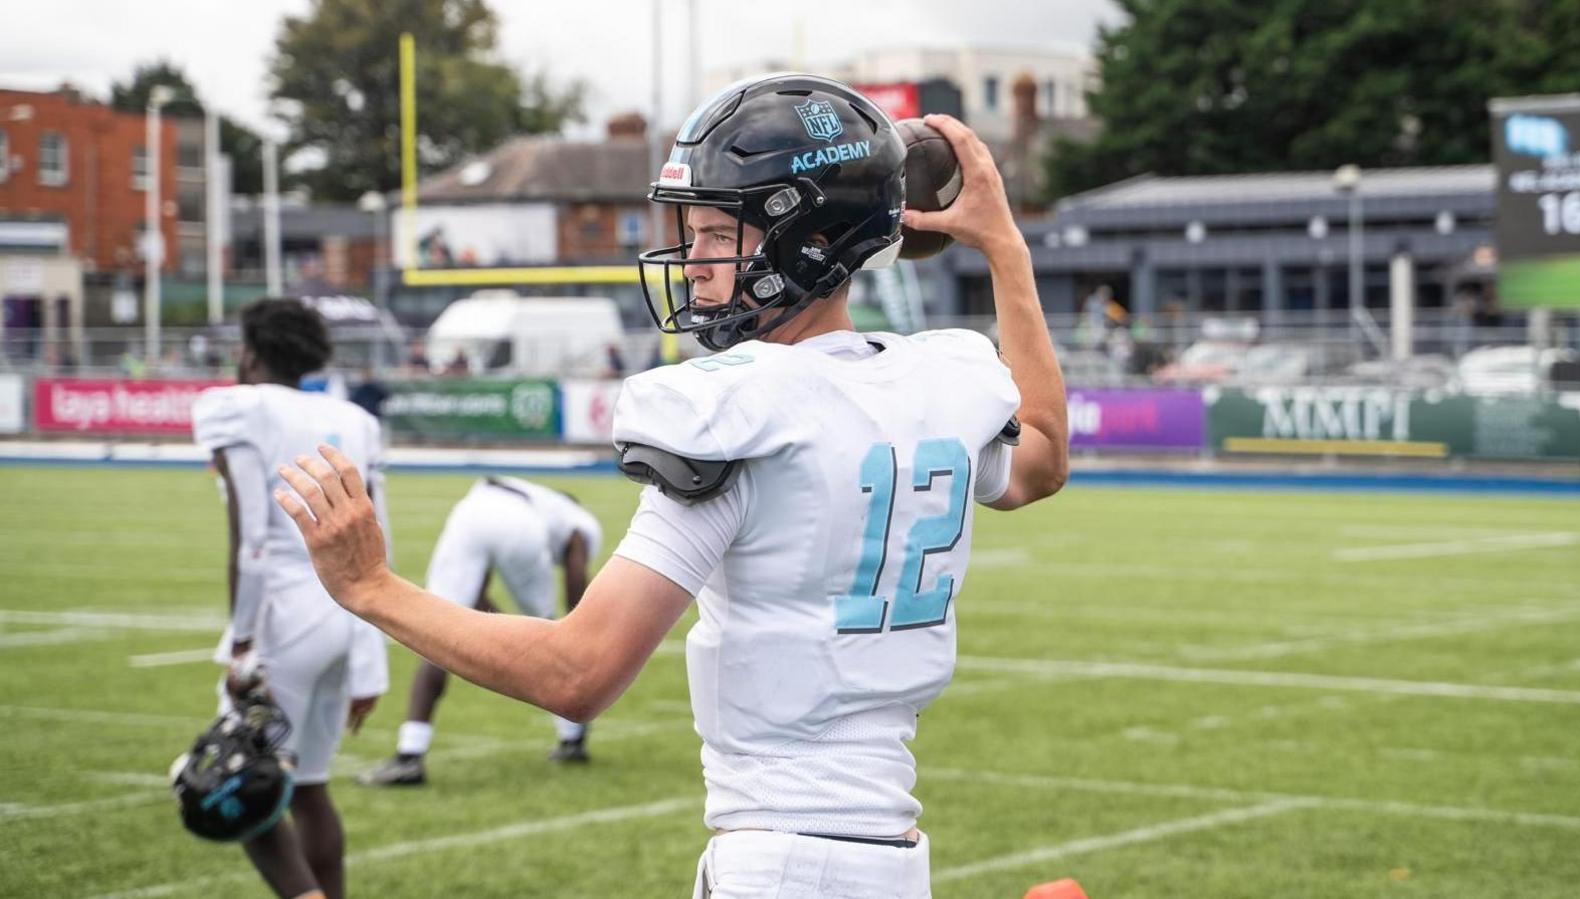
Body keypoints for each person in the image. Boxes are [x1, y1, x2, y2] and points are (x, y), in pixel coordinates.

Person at [274, 74, 1067, 897]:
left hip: (779, 863)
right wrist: (1005, 248)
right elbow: (1043, 455)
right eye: (692, 233)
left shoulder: (739, 411)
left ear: (811, 240)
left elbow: (577, 673)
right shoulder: (934, 381)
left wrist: (372, 587)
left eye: (719, 233)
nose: (694, 262)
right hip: (894, 861)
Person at [193, 297, 391, 899]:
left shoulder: (237, 407)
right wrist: (371, 656)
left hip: (284, 616)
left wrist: (243, 641)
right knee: (308, 784)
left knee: (241, 783)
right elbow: (376, 539)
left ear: (251, 352)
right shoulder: (353, 418)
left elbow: (252, 540)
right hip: (348, 609)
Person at [360, 476, 603, 786]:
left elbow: (474, 594)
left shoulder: (533, 498)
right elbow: (577, 559)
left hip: (470, 511)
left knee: (437, 631)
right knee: (551, 640)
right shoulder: (578, 518)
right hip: (520, 524)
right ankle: (572, 738)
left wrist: (502, 633)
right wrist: (575, 624)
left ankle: (410, 753)